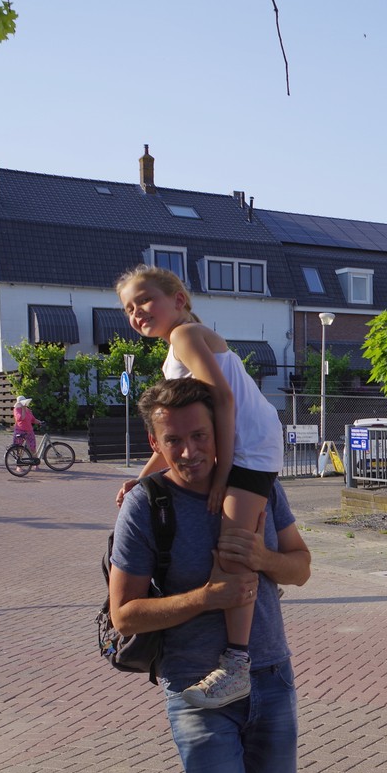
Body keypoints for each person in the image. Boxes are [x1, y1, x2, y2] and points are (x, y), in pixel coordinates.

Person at [106, 376, 310, 773]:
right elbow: (124, 613)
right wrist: (205, 599)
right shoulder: (147, 505)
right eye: (175, 441)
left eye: (200, 436)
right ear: (154, 443)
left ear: (218, 431)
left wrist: (263, 559)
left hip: (271, 675)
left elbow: (301, 565)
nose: (191, 451)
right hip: (196, 689)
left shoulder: (256, 485)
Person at [115, 264, 285, 710]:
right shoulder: (178, 345)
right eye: (129, 308)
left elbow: (222, 399)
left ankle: (237, 665)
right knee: (235, 543)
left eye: (145, 300)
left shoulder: (185, 335)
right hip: (243, 445)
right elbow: (178, 429)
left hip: (251, 448)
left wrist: (224, 473)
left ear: (179, 300)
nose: (137, 312)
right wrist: (144, 477)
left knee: (234, 547)